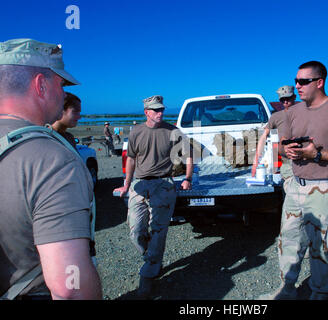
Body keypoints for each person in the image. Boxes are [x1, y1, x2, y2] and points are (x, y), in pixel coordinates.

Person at [0, 38, 102, 300]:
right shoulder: (53, 160)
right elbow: (70, 288)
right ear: (41, 85)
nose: (65, 94)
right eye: (62, 84)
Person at [260, 61, 328, 300]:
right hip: (295, 186)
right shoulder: (292, 112)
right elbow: (282, 146)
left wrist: (317, 154)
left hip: (324, 190)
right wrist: (291, 151)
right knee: (288, 241)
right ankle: (286, 290)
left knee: (322, 246)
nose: (297, 86)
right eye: (296, 81)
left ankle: (320, 293)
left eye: (303, 81)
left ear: (319, 82)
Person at [114, 95, 193, 299]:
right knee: (136, 230)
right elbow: (131, 159)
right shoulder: (136, 132)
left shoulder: (172, 131)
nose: (160, 113)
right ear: (146, 112)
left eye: (161, 110)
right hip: (139, 184)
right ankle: (151, 255)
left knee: (159, 230)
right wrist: (126, 183)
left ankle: (149, 272)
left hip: (163, 184)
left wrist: (188, 178)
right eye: (155, 110)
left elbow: (188, 155)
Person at [251, 85, 296, 182]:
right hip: (287, 162)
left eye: (288, 98)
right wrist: (255, 163)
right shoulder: (276, 116)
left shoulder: (305, 113)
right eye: (283, 100)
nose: (285, 102)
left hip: (305, 158)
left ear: (294, 97)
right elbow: (264, 137)